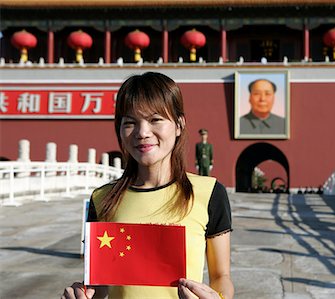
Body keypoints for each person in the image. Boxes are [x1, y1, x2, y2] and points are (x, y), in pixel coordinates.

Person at [61, 72, 234, 299]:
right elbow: (100, 285)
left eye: (155, 120)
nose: (142, 133)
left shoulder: (209, 193)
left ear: (179, 124)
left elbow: (221, 275)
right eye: (130, 122)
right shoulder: (102, 198)